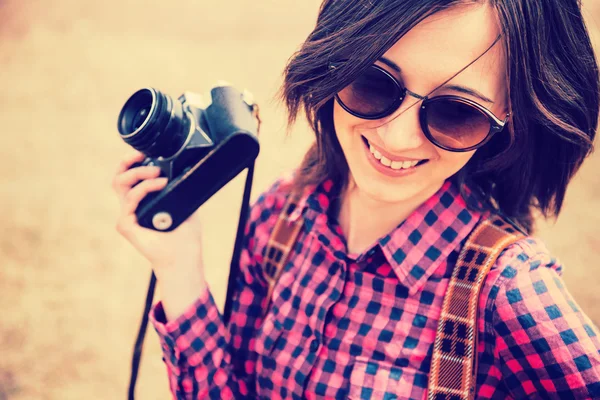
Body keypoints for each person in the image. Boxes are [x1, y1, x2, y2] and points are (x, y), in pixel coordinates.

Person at [112, 0, 600, 398]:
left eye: (456, 113)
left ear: (508, 118)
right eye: (373, 82)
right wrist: (179, 269)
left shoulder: (509, 292)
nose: (397, 137)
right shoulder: (281, 216)